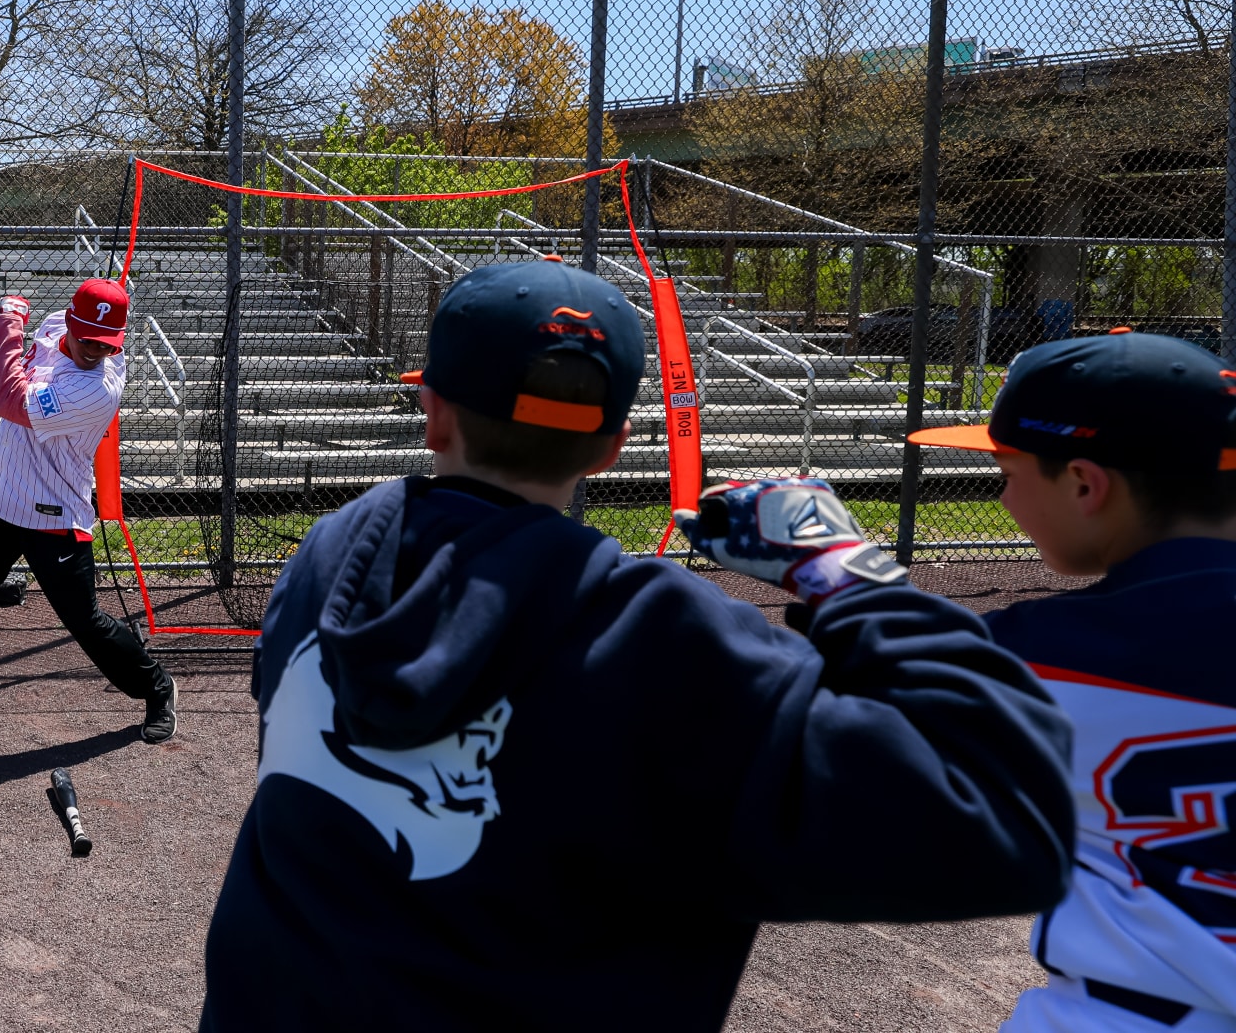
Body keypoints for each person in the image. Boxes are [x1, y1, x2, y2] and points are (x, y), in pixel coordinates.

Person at [199, 258, 1077, 1031]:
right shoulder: (667, 634)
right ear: (613, 447)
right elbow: (1009, 824)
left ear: (432, 414)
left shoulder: (332, 555)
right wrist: (845, 576)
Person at [912, 330, 1236, 1032]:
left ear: (1086, 483)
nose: (1003, 498)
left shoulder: (1033, 654)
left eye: (1009, 472)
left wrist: (830, 573)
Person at [0, 278, 176, 755]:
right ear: (69, 322)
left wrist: (8, 319)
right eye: (88, 338)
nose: (95, 350)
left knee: (85, 622)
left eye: (107, 343)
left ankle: (157, 688)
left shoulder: (97, 388)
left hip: (55, 516)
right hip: (0, 502)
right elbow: (33, 364)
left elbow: (7, 400)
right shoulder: (52, 327)